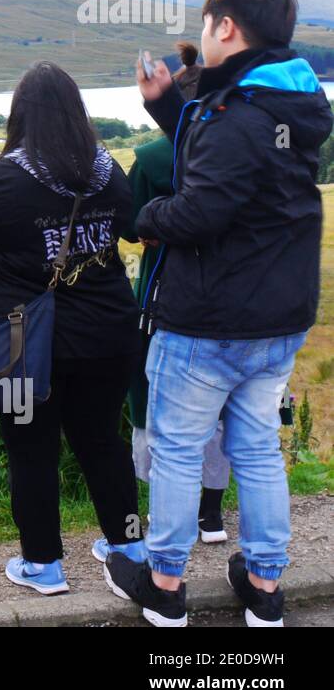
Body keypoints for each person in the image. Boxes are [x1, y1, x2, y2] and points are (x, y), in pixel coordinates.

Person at [108, 0, 332, 628]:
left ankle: (165, 583)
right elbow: (230, 158)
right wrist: (168, 107)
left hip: (210, 318)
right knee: (257, 445)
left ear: (226, 27)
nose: (201, 34)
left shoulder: (238, 111)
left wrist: (147, 218)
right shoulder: (280, 100)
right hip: (277, 318)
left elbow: (205, 202)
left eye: (206, 23)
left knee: (177, 446)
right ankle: (264, 584)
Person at [0, 62, 143, 596]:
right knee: (103, 442)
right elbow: (129, 225)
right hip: (108, 333)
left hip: (26, 340)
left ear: (20, 113)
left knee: (31, 451)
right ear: (77, 112)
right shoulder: (108, 167)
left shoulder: (2, 173)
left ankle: (44, 565)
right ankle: (128, 549)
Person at [119, 42, 231, 550]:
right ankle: (212, 515)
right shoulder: (232, 146)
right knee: (225, 403)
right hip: (231, 291)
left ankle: (164, 519)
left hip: (165, 291)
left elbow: (132, 227)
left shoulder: (148, 157)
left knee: (160, 400)